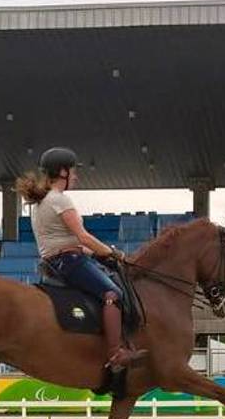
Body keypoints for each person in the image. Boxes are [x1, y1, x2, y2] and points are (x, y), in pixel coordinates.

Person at [16, 147, 146, 370]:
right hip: (69, 262)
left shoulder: (40, 202)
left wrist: (98, 254)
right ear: (63, 173)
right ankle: (116, 353)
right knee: (113, 294)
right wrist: (114, 253)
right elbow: (83, 237)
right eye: (74, 172)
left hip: (55, 262)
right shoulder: (60, 200)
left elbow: (65, 241)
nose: (76, 176)